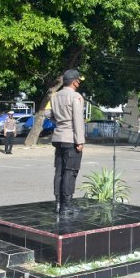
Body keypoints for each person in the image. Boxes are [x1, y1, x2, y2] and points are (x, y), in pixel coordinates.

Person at [45, 69, 85, 214]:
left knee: (59, 171)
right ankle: (66, 205)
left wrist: (59, 121)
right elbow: (78, 120)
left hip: (58, 136)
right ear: (74, 81)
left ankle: (58, 203)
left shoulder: (54, 96)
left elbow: (47, 113)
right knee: (71, 171)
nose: (79, 83)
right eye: (78, 80)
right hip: (71, 138)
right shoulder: (76, 97)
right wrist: (80, 141)